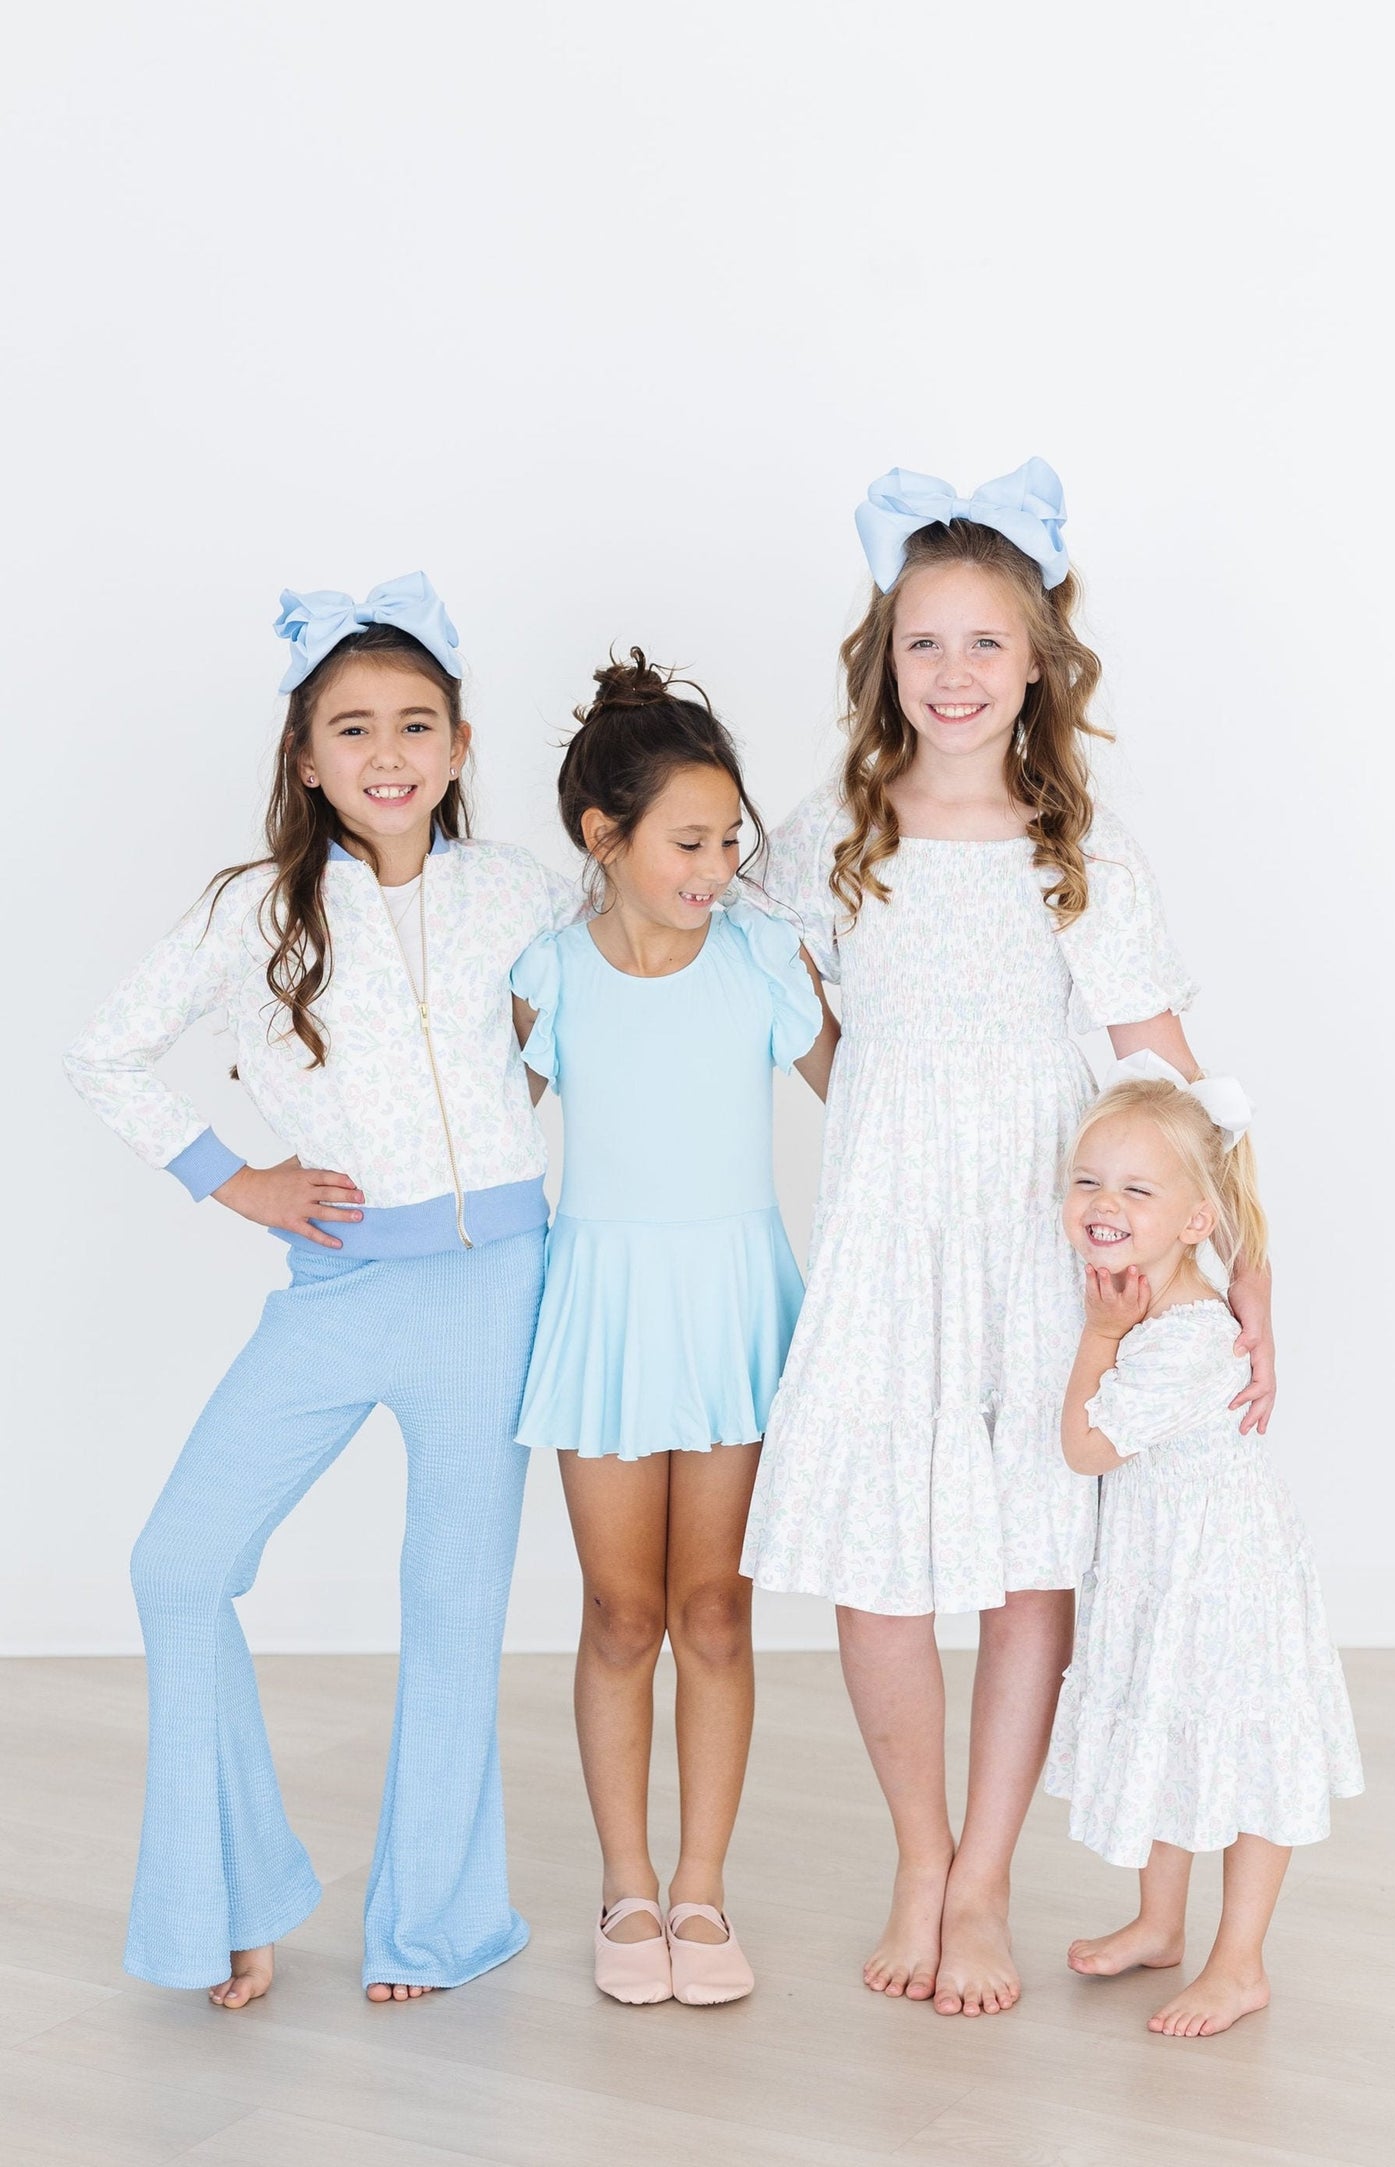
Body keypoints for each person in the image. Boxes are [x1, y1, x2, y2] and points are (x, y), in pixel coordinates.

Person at [744, 463, 1276, 2016]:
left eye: (986, 641)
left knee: (1029, 1557)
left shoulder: (1074, 850)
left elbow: (1171, 1074)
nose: (955, 671)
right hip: (886, 1238)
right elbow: (770, 992)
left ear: (1038, 661)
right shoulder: (830, 835)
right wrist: (873, 1103)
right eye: (924, 641)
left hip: (1042, 1241)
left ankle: (982, 1875)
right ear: (882, 659)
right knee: (881, 1560)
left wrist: (1246, 1264)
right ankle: (918, 1856)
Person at [65, 575, 574, 2006]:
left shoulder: (518, 890)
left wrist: (510, 1116)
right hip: (338, 1288)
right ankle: (230, 1895)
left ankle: (438, 1925)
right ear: (304, 756)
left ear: (460, 747)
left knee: (452, 1607)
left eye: (416, 723)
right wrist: (236, 1179)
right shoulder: (251, 913)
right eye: (352, 727)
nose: (387, 752)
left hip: (495, 1288)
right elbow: (103, 1051)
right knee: (179, 1565)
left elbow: (588, 1007)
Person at [512, 650, 837, 2005]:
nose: (716, 867)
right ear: (606, 835)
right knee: (619, 1611)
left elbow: (864, 1104)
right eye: (688, 842)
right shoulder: (547, 972)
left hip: (731, 1307)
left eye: (727, 840)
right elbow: (470, 1128)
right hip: (602, 1308)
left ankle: (700, 1888)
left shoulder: (760, 957)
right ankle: (626, 1883)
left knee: (713, 1608)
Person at [1046, 1054, 1362, 2035]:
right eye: (1087, 1180)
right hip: (1170, 1571)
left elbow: (1084, 1447)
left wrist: (1098, 1336)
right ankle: (1158, 1924)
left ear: (1196, 1220)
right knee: (1169, 1731)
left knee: (1236, 1749)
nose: (1104, 1202)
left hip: (1221, 1581)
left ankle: (1239, 1962)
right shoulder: (1156, 1301)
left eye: (1136, 1189)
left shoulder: (1177, 1337)